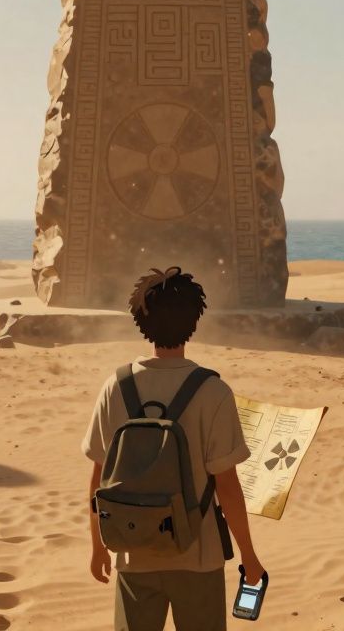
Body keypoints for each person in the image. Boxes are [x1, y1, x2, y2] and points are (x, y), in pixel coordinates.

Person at [82, 267, 265, 631]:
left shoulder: (115, 387)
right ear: (194, 320)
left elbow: (98, 481)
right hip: (200, 554)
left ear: (140, 319)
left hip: (134, 551)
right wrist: (248, 554)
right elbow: (226, 485)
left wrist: (99, 545)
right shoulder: (214, 392)